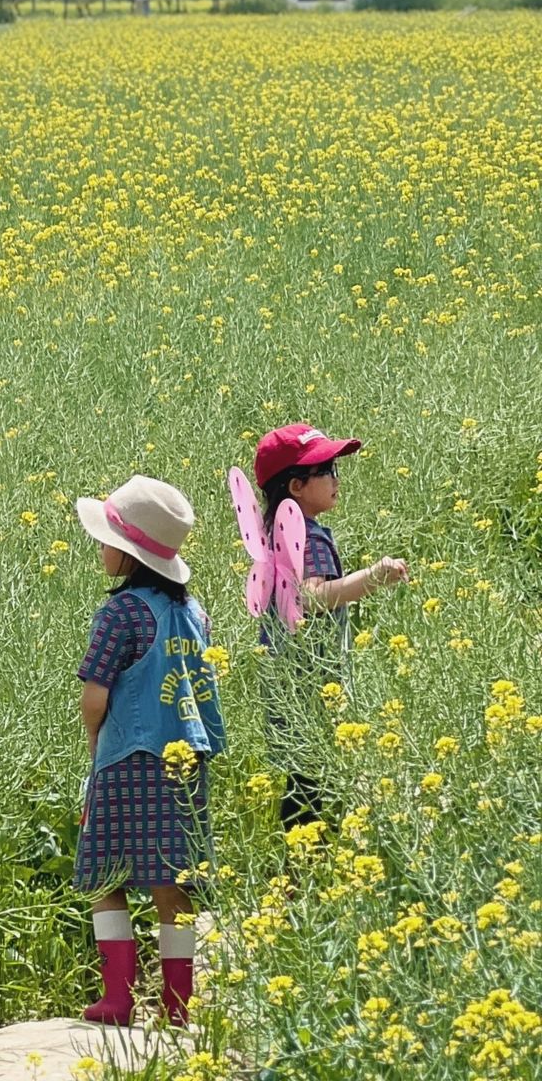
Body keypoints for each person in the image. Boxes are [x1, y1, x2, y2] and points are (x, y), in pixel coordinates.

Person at [73, 475, 225, 1027]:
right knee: (172, 885)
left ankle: (117, 999)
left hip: (126, 758)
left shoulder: (120, 614)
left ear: (130, 553)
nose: (101, 548)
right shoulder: (194, 612)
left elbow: (96, 695)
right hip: (185, 758)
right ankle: (177, 1004)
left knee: (105, 877)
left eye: (107, 539)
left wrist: (93, 742)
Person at [253, 424, 408, 826]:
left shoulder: (274, 534)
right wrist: (373, 576)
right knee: (312, 781)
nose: (337, 479)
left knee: (300, 778)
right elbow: (313, 596)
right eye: (327, 470)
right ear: (297, 486)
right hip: (313, 680)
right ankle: (305, 871)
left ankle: (301, 869)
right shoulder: (310, 537)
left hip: (283, 676)